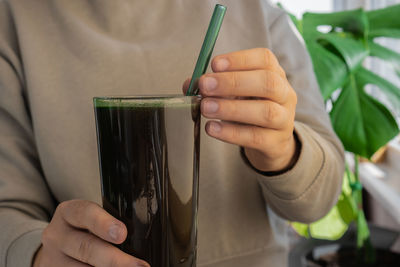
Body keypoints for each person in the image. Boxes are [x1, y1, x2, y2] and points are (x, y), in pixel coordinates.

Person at [0, 0, 344, 266]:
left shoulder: (256, 11)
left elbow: (321, 196)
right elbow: (8, 208)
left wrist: (283, 151)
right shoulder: (14, 19)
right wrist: (39, 253)